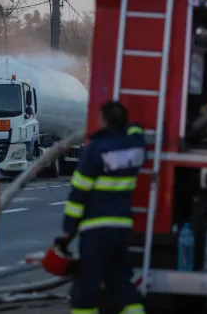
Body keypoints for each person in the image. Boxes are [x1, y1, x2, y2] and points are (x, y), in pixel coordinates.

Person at [56, 100, 147, 314]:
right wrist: (129, 127)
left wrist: (68, 231)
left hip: (96, 230)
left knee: (86, 288)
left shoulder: (95, 150)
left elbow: (78, 194)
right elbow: (137, 131)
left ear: (104, 120)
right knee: (121, 283)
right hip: (122, 228)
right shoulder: (135, 148)